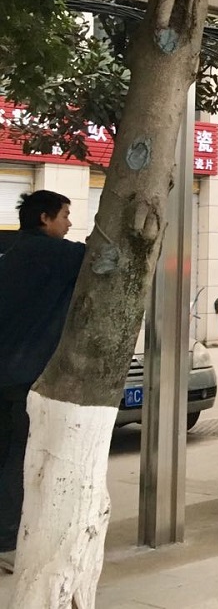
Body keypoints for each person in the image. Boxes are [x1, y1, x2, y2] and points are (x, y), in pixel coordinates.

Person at [0, 191, 85, 573]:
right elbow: (103, 257)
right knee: (20, 459)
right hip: (26, 375)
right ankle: (7, 541)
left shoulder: (12, 252)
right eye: (64, 215)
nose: (69, 223)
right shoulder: (57, 254)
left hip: (5, 372)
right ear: (45, 218)